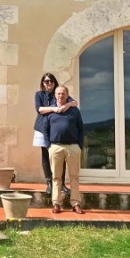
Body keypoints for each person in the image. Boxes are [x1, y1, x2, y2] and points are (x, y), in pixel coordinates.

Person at [42, 85, 85, 214]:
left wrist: (79, 145)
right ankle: (56, 203)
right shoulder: (51, 111)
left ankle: (75, 203)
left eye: (63, 94)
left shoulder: (74, 110)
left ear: (67, 95)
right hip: (56, 147)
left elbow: (81, 128)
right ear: (55, 95)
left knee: (74, 176)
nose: (61, 96)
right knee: (56, 177)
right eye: (58, 94)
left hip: (72, 147)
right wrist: (49, 146)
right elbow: (45, 129)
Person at [33, 72, 78, 195]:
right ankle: (49, 183)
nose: (49, 83)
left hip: (56, 129)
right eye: (46, 81)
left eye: (51, 81)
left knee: (60, 155)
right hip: (42, 128)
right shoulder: (39, 94)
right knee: (45, 156)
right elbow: (39, 109)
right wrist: (54, 109)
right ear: (43, 83)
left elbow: (75, 103)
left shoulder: (58, 93)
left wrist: (67, 105)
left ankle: (61, 184)